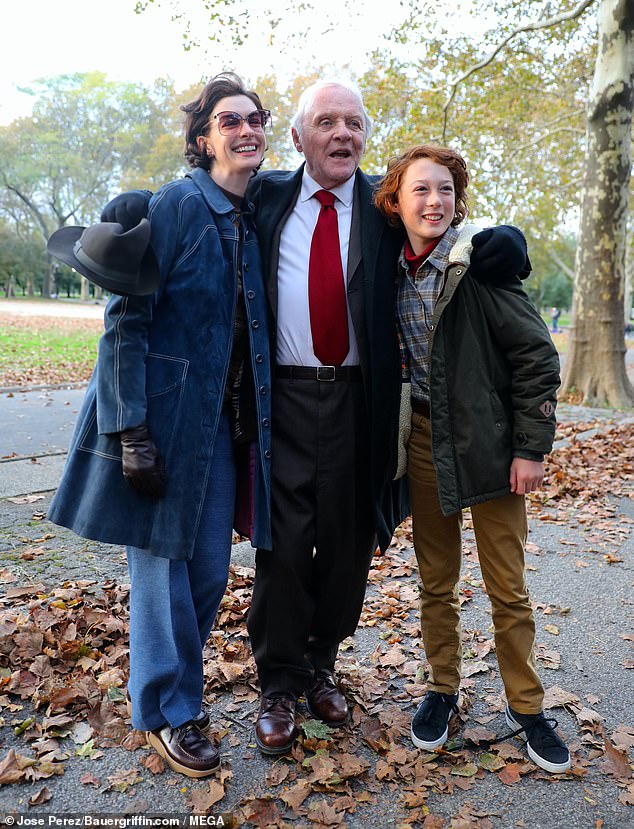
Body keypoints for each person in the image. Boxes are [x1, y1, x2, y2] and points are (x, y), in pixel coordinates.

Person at [101, 80, 531, 757]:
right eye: (325, 122)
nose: (341, 134)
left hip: (363, 399)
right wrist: (132, 207)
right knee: (283, 540)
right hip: (283, 399)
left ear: (364, 138)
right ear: (297, 138)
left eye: (353, 124)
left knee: (346, 543)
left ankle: (321, 664)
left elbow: (442, 220)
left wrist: (499, 239)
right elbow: (202, 189)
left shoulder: (384, 209)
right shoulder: (265, 198)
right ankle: (276, 681)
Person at [46, 72, 273, 778]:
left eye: (255, 118)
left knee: (206, 572)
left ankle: (174, 689)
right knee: (158, 576)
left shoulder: (255, 214)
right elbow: (125, 319)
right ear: (202, 140)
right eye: (228, 121)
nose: (245, 129)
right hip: (158, 422)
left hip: (221, 431)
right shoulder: (174, 207)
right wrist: (130, 432)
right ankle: (171, 710)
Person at [373, 144, 570, 774]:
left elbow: (537, 358)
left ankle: (526, 705)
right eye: (421, 190)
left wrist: (530, 448)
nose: (435, 202)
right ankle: (442, 691)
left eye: (446, 191)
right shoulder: (387, 267)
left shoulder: (480, 267)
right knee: (436, 582)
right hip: (424, 445)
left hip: (489, 449)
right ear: (395, 201)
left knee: (506, 587)